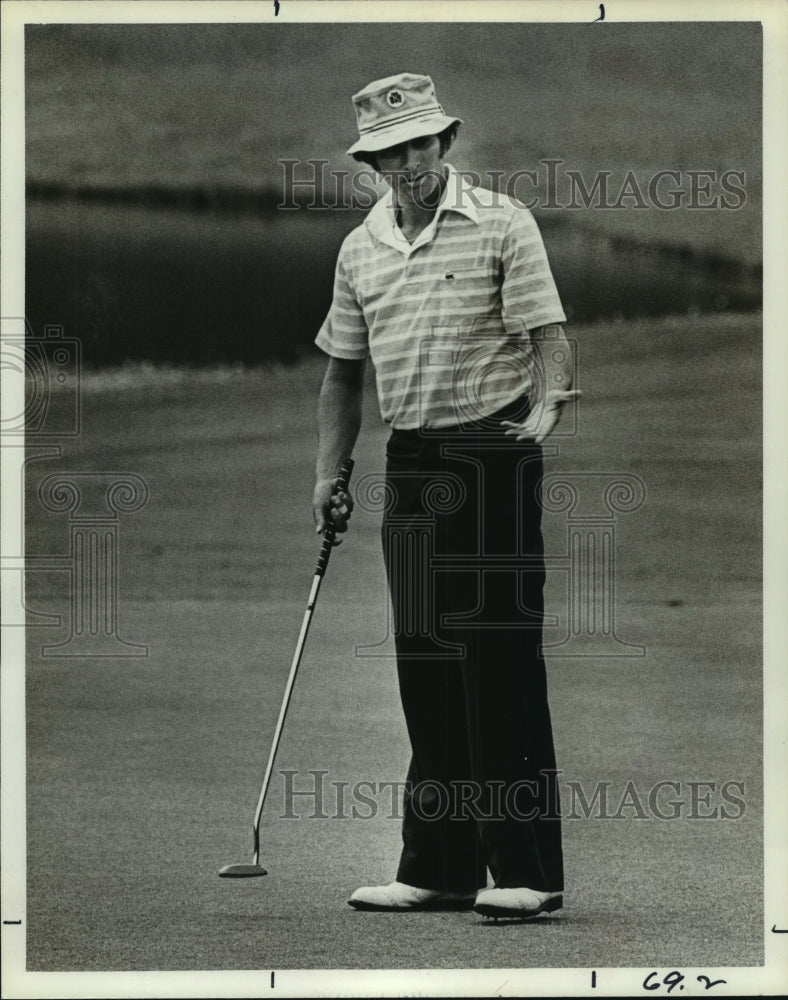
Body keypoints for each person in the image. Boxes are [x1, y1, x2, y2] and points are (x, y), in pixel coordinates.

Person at [312, 73, 580, 919]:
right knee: (425, 661)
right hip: (413, 463)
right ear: (373, 161)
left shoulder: (503, 220)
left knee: (495, 659)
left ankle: (526, 873)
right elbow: (342, 375)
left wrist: (546, 405)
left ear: (446, 142)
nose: (408, 162)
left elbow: (548, 335)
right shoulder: (362, 247)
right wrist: (331, 472)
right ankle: (437, 865)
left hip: (493, 453)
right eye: (390, 152)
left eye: (420, 145)